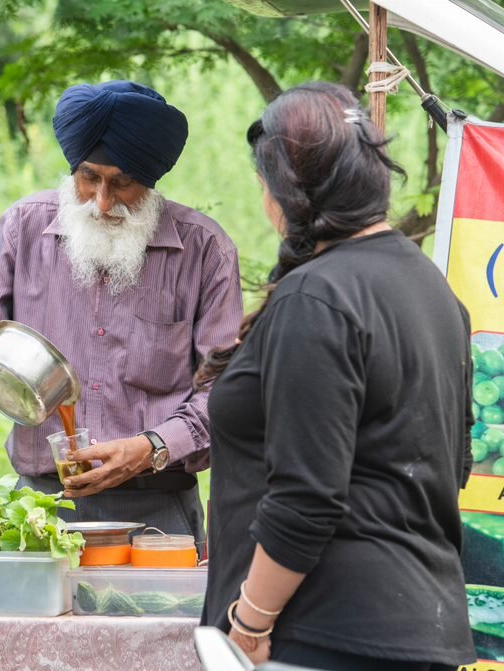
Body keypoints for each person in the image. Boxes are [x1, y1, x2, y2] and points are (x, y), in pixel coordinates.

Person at [199, 82, 476, 670]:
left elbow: (307, 495)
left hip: (325, 634)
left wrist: (249, 622)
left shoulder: (317, 297)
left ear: (286, 189)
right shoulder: (431, 289)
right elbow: (454, 467)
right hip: (421, 626)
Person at [0, 80, 243, 542]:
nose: (102, 202)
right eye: (89, 178)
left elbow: (228, 393)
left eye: (122, 183)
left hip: (158, 513)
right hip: (40, 509)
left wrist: (152, 446)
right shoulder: (23, 228)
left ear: (151, 178)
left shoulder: (205, 250)